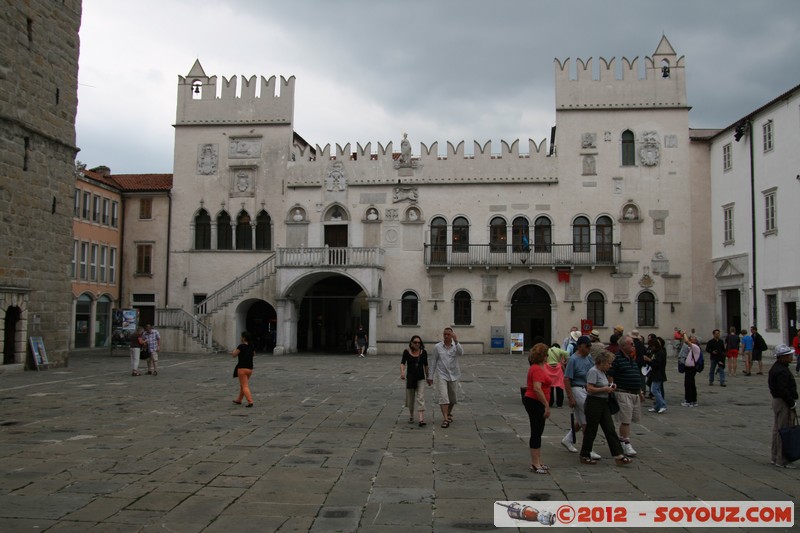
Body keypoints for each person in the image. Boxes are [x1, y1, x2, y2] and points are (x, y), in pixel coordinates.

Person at [579, 351, 633, 467]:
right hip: (594, 403)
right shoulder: (593, 371)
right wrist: (605, 389)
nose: (610, 365)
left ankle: (619, 455)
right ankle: (585, 454)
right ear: (602, 362)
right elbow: (590, 388)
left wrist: (610, 387)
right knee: (591, 430)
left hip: (603, 403)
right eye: (608, 363)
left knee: (610, 429)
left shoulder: (602, 372)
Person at [561, 336, 601, 460]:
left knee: (580, 418)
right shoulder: (573, 360)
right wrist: (570, 397)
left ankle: (567, 439)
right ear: (580, 346)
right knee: (586, 419)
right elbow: (567, 379)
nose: (589, 348)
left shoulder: (588, 358)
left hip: (587, 389)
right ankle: (588, 449)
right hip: (577, 389)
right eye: (587, 346)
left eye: (590, 346)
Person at [607, 335, 643, 457]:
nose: (633, 346)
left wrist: (639, 391)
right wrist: (612, 387)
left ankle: (623, 440)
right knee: (625, 420)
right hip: (623, 392)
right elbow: (610, 374)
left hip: (634, 393)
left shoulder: (630, 358)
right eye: (631, 344)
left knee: (630, 420)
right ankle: (625, 442)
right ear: (623, 346)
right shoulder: (617, 358)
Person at [522, 343, 552, 474]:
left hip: (535, 401)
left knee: (538, 431)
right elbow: (537, 388)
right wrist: (546, 405)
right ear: (544, 356)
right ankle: (535, 463)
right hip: (535, 401)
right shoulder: (537, 369)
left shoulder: (539, 367)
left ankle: (538, 461)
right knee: (536, 431)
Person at [768, 344, 798, 468]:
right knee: (784, 430)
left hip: (777, 400)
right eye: (788, 355)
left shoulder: (777, 368)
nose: (791, 357)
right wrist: (792, 403)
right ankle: (782, 459)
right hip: (782, 401)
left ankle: (775, 456)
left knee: (777, 430)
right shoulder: (781, 371)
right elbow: (783, 390)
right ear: (782, 357)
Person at [427, 327, 463, 428]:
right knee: (443, 397)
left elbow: (461, 353)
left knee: (452, 399)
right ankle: (445, 419)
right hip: (441, 374)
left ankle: (448, 413)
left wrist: (456, 341)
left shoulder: (456, 346)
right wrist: (430, 376)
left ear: (452, 335)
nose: (446, 336)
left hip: (454, 375)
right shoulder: (437, 347)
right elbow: (433, 361)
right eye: (445, 334)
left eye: (448, 334)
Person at [400, 335, 429, 427]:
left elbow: (426, 365)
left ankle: (421, 419)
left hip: (420, 378)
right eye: (415, 342)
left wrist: (428, 376)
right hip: (411, 378)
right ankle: (412, 416)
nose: (417, 344)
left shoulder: (423, 352)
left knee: (420, 397)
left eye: (419, 342)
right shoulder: (406, 352)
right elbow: (402, 363)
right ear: (411, 343)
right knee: (410, 399)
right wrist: (402, 372)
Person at [644, 336, 667, 413]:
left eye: (652, 346)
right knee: (657, 390)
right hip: (655, 374)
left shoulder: (660, 353)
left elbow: (657, 364)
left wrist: (648, 360)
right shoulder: (656, 352)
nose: (651, 348)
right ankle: (657, 406)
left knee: (654, 390)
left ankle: (663, 405)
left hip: (658, 374)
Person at [231, 331, 254, 407]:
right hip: (250, 368)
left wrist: (233, 351)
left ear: (244, 338)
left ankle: (250, 401)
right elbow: (253, 354)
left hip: (242, 368)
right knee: (243, 385)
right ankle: (239, 400)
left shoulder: (241, 346)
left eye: (241, 336)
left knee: (244, 386)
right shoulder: (251, 346)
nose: (240, 338)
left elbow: (234, 355)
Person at [546, 343, 569, 407]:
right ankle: (559, 404)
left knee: (550, 386)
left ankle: (550, 402)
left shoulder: (547, 350)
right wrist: (565, 359)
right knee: (559, 386)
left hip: (548, 369)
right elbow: (567, 353)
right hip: (557, 369)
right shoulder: (559, 350)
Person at [681, 333, 701, 407]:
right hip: (689, 368)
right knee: (690, 384)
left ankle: (689, 401)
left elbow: (686, 341)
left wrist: (685, 333)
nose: (690, 339)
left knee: (689, 384)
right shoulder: (691, 348)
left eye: (692, 338)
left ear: (695, 340)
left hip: (691, 368)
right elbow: (685, 343)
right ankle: (692, 400)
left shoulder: (695, 347)